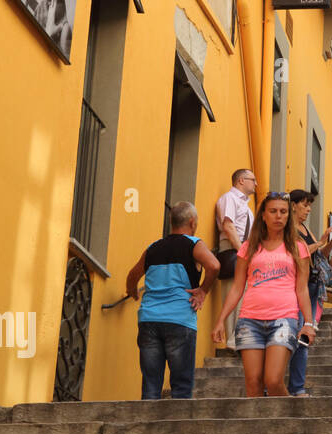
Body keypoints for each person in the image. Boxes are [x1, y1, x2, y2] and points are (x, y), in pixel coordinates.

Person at [212, 191, 316, 397]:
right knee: (253, 383)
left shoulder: (298, 247)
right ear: (263, 215)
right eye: (273, 211)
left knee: (274, 380)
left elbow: (302, 288)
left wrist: (309, 323)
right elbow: (237, 287)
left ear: (288, 216)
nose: (279, 216)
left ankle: (290, 423)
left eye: (283, 212)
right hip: (249, 321)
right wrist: (221, 320)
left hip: (284, 319)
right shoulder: (248, 247)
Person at [124, 201, 220, 399]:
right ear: (192, 222)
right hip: (179, 319)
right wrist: (203, 290)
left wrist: (133, 293)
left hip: (149, 320)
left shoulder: (153, 248)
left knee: (151, 385)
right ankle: (179, 429)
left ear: (171, 222)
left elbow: (132, 276)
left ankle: (147, 428)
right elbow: (215, 266)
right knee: (181, 386)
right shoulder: (194, 244)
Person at [287, 188, 332, 396]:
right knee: (294, 333)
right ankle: (284, 385)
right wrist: (319, 242)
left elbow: (321, 257)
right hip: (296, 286)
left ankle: (297, 386)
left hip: (311, 285)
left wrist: (331, 241)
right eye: (305, 205)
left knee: (305, 336)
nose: (309, 209)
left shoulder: (305, 228)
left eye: (310, 205)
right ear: (293, 205)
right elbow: (295, 252)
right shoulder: (288, 229)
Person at [214, 169, 256, 350]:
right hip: (234, 251)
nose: (256, 183)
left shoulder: (245, 206)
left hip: (241, 251)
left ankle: (238, 339)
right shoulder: (229, 198)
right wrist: (243, 253)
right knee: (234, 294)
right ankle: (233, 341)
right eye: (252, 179)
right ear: (241, 180)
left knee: (243, 297)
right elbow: (228, 226)